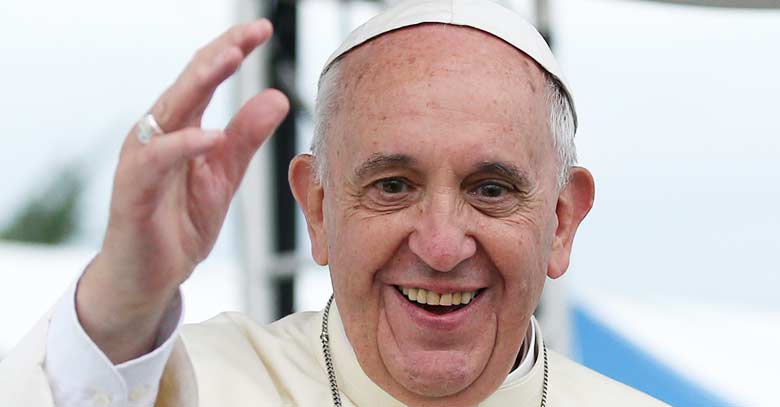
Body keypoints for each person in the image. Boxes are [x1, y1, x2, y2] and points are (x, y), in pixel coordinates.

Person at [0, 1, 668, 406]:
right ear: (317, 208)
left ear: (560, 220)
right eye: (393, 185)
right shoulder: (190, 386)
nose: (440, 246)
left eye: (490, 190)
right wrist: (120, 303)